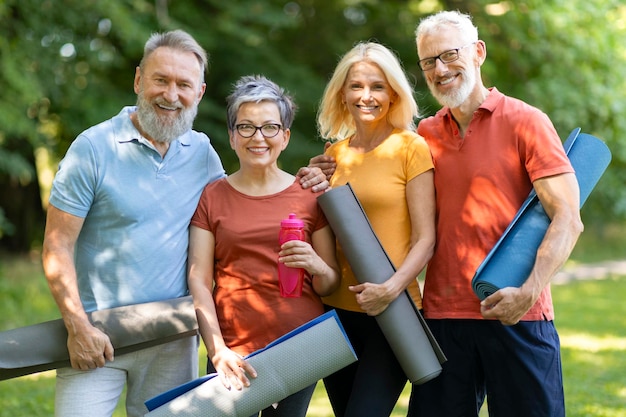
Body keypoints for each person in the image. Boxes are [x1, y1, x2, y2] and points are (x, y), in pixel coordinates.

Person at [41, 31, 326, 417]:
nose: (171, 95)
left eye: (183, 85)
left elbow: (247, 200)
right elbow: (57, 246)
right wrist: (77, 327)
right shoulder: (92, 148)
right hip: (98, 336)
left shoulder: (202, 152)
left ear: (200, 91)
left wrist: (311, 178)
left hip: (172, 340)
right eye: (161, 80)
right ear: (139, 80)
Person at [405, 11, 583, 417]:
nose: (440, 69)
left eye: (450, 54)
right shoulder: (422, 135)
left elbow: (567, 217)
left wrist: (530, 291)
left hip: (516, 311)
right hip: (442, 318)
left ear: (478, 52)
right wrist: (327, 167)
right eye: (429, 61)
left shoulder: (526, 121)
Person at [187, 74, 340, 417]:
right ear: (232, 136)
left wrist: (315, 264)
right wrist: (217, 350)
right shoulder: (212, 196)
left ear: (285, 137)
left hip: (301, 343)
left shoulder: (309, 194)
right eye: (246, 127)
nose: (258, 137)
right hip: (233, 346)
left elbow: (330, 283)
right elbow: (198, 279)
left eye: (270, 127)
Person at [315, 42, 436, 417]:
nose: (366, 96)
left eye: (377, 86)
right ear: (342, 93)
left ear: (394, 93)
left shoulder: (411, 148)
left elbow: (426, 238)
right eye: (356, 86)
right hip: (336, 315)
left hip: (393, 311)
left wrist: (390, 289)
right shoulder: (334, 155)